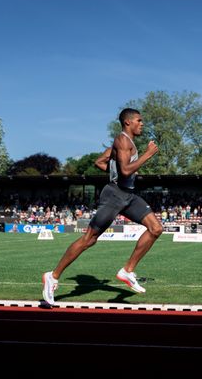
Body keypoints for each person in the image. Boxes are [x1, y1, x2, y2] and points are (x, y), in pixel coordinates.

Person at [42, 108, 163, 305]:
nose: (142, 124)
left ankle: (127, 270)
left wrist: (114, 169)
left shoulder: (127, 143)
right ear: (128, 122)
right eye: (139, 121)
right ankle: (52, 276)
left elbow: (100, 162)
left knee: (156, 228)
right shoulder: (122, 140)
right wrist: (147, 155)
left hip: (128, 195)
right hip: (115, 195)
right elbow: (124, 171)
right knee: (89, 240)